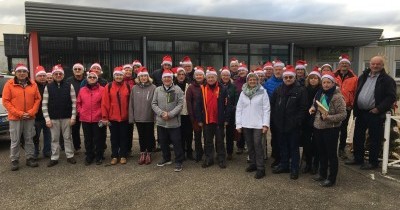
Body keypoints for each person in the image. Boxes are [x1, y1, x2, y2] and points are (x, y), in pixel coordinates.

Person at [346, 56, 396, 170]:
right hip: (361, 112)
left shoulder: (387, 80)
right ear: (370, 64)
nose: (375, 66)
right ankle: (358, 158)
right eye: (373, 63)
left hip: (375, 113)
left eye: (378, 64)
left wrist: (379, 108)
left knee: (374, 138)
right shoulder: (363, 76)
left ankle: (373, 162)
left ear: (382, 65)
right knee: (358, 136)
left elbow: (391, 97)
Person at [310, 72, 347, 187]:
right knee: (321, 153)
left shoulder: (337, 97)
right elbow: (314, 105)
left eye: (328, 82)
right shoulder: (319, 92)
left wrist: (329, 117)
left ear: (333, 83)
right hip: (318, 127)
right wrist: (311, 108)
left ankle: (331, 179)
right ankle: (322, 173)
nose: (325, 85)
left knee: (331, 154)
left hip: (331, 129)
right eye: (324, 82)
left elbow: (343, 115)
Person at [2, 63, 41, 171]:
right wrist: (18, 113)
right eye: (19, 71)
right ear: (16, 72)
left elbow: (38, 99)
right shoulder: (9, 84)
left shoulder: (33, 84)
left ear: (27, 73)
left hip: (30, 116)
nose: (22, 73)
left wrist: (32, 111)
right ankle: (14, 160)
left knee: (29, 138)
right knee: (15, 140)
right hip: (15, 118)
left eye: (24, 71)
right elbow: (6, 101)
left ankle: (30, 158)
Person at [271, 65, 307, 180]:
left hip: (293, 126)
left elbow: (303, 108)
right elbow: (273, 105)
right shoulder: (278, 89)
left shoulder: (300, 90)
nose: (288, 79)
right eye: (286, 77)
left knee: (294, 148)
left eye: (290, 77)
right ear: (283, 78)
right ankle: (284, 165)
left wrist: (297, 122)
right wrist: (275, 120)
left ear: (294, 78)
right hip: (280, 125)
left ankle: (294, 168)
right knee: (283, 146)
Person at [195, 67, 231, 169]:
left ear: (216, 78)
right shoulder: (202, 89)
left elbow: (228, 105)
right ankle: (209, 159)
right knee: (208, 141)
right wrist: (199, 120)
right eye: (209, 77)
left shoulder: (223, 89)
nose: (211, 79)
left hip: (219, 120)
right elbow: (198, 105)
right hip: (206, 120)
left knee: (220, 141)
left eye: (212, 77)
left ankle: (221, 159)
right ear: (206, 78)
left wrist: (227, 119)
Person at [236, 73, 270, 179]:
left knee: (258, 145)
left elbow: (266, 109)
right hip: (246, 123)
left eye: (254, 80)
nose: (252, 81)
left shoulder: (262, 92)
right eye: (250, 80)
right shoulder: (243, 93)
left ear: (257, 81)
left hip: (258, 124)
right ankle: (253, 164)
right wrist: (238, 124)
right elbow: (239, 109)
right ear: (247, 81)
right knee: (250, 145)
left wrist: (265, 124)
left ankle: (261, 168)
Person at [42, 64, 77, 167]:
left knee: (67, 137)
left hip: (67, 117)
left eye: (60, 73)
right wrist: (47, 119)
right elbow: (44, 104)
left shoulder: (69, 85)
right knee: (54, 138)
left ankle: (70, 155)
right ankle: (54, 157)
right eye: (56, 74)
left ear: (63, 75)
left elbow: (74, 102)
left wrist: (73, 116)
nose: (58, 75)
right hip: (53, 118)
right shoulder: (48, 87)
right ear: (53, 75)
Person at [152, 69, 184, 172]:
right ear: (162, 79)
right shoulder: (157, 90)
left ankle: (179, 161)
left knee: (176, 142)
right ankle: (166, 158)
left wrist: (170, 114)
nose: (167, 79)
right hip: (161, 122)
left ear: (172, 78)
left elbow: (180, 104)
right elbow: (153, 104)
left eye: (168, 77)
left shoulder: (177, 90)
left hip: (174, 122)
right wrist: (161, 113)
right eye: (165, 77)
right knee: (163, 141)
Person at [101, 66, 131, 165]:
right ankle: (114, 155)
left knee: (123, 137)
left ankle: (123, 155)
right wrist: (105, 117)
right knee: (114, 138)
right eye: (117, 75)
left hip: (124, 117)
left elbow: (130, 102)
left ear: (123, 76)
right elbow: (105, 103)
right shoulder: (108, 86)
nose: (118, 77)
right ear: (114, 76)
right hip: (113, 117)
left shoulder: (127, 86)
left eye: (120, 75)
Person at [77, 70, 106, 165]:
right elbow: (78, 103)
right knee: (88, 139)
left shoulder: (102, 89)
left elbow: (104, 103)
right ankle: (89, 155)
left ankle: (99, 156)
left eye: (94, 77)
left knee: (98, 138)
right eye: (90, 77)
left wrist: (102, 114)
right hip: (85, 118)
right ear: (87, 79)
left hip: (98, 118)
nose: (92, 79)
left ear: (97, 79)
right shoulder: (82, 90)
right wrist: (80, 111)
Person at [129, 67, 156, 165]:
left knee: (149, 135)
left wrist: (155, 117)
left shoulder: (153, 88)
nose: (143, 78)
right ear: (138, 78)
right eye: (141, 76)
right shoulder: (134, 88)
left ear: (148, 77)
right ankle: (142, 152)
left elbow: (155, 102)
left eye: (145, 76)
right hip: (138, 117)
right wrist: (131, 117)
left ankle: (148, 153)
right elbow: (131, 103)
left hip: (149, 117)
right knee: (141, 136)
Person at [333, 54, 358, 159]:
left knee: (343, 129)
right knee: (333, 129)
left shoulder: (354, 78)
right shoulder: (333, 76)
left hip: (346, 107)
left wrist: (352, 105)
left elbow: (356, 93)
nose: (344, 65)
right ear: (339, 65)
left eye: (346, 64)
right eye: (342, 63)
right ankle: (332, 148)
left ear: (349, 66)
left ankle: (341, 149)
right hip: (332, 107)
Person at [263, 59, 284, 168]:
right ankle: (276, 156)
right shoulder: (268, 83)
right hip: (273, 113)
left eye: (280, 69)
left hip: (285, 114)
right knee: (275, 135)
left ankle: (284, 156)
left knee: (283, 136)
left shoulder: (286, 80)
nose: (278, 71)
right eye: (276, 69)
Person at [301, 67, 322, 174]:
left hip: (318, 119)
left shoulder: (321, 91)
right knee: (306, 142)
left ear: (319, 80)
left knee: (316, 142)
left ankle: (315, 164)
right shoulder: (304, 89)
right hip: (306, 119)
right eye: (311, 78)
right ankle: (308, 163)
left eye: (315, 78)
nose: (313, 80)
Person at [186, 66, 205, 162]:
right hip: (196, 116)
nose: (199, 76)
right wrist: (192, 116)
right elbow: (188, 102)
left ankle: (208, 151)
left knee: (207, 135)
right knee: (197, 136)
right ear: (194, 76)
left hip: (206, 115)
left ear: (203, 76)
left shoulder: (207, 85)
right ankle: (199, 152)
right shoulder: (191, 88)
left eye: (200, 75)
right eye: (197, 75)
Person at [174, 67, 194, 160]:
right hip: (177, 115)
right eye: (179, 74)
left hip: (187, 114)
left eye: (183, 74)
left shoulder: (189, 85)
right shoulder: (173, 86)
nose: (181, 76)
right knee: (180, 135)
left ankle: (189, 152)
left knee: (189, 134)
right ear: (176, 76)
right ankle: (181, 153)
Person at [33, 65, 52, 159]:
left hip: (47, 116)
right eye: (40, 76)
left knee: (48, 135)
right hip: (36, 117)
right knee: (35, 136)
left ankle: (47, 151)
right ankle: (35, 152)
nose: (42, 77)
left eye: (43, 76)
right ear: (36, 77)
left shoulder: (48, 86)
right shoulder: (32, 86)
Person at [219, 66, 238, 160]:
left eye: (227, 75)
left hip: (230, 113)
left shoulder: (233, 87)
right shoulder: (218, 86)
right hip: (220, 113)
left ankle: (229, 152)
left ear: (229, 76)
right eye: (223, 75)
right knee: (220, 134)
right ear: (221, 76)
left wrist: (233, 108)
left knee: (230, 134)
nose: (225, 77)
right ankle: (220, 151)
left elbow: (236, 100)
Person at [66, 63, 85, 152]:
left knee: (87, 130)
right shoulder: (68, 81)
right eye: (76, 69)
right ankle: (77, 146)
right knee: (74, 129)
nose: (77, 70)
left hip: (85, 109)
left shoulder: (86, 80)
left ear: (83, 70)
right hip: (73, 109)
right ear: (73, 71)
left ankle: (90, 147)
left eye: (79, 69)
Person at [234, 62, 248, 154]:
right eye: (240, 70)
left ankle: (248, 144)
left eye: (243, 70)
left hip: (248, 107)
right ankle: (240, 145)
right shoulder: (236, 82)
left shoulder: (249, 80)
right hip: (238, 107)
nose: (241, 71)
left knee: (247, 126)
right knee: (239, 127)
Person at [122, 63, 135, 157]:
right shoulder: (119, 80)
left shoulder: (134, 81)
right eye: (126, 70)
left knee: (130, 130)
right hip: (122, 109)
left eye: (130, 70)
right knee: (122, 131)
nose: (128, 72)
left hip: (131, 110)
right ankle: (122, 148)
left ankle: (128, 149)